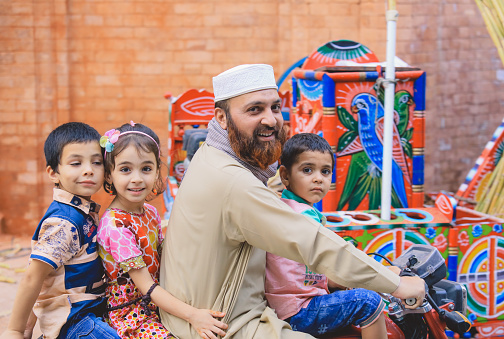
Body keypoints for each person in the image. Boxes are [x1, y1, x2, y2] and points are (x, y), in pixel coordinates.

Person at [159, 64, 426, 339]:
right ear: (222, 118)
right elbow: (310, 242)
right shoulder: (235, 182)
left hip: (218, 310)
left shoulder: (212, 157)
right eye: (254, 110)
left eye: (275, 108)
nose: (271, 120)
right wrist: (395, 284)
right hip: (227, 324)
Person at [97, 122, 228, 339]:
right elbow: (146, 287)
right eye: (125, 169)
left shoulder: (149, 212)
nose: (137, 178)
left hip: (159, 301)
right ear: (109, 175)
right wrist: (193, 315)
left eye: (146, 168)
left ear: (158, 170)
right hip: (132, 313)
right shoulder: (115, 226)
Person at [265, 133, 392, 339]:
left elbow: (304, 268)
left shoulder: (293, 210)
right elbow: (336, 259)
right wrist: (387, 277)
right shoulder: (301, 216)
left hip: (294, 305)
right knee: (369, 303)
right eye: (307, 170)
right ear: (285, 176)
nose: (318, 178)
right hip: (299, 310)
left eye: (325, 171)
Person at [1, 122, 120, 339]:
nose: (88, 169)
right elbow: (34, 276)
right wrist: (15, 330)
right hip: (76, 321)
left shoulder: (82, 211)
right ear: (53, 173)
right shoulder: (65, 222)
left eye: (96, 162)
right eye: (76, 163)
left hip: (90, 311)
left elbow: (50, 279)